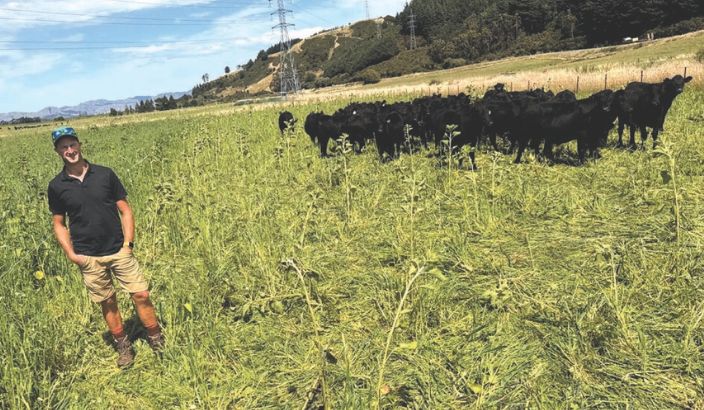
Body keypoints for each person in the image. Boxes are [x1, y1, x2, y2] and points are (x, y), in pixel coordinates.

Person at [47, 126, 164, 368]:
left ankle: (156, 339)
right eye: (64, 147)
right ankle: (123, 345)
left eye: (72, 144)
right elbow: (58, 223)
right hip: (88, 256)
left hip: (119, 250)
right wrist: (72, 255)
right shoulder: (57, 186)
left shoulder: (104, 174)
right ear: (57, 152)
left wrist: (128, 244)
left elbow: (125, 210)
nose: (70, 150)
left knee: (141, 294)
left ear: (79, 145)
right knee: (107, 302)